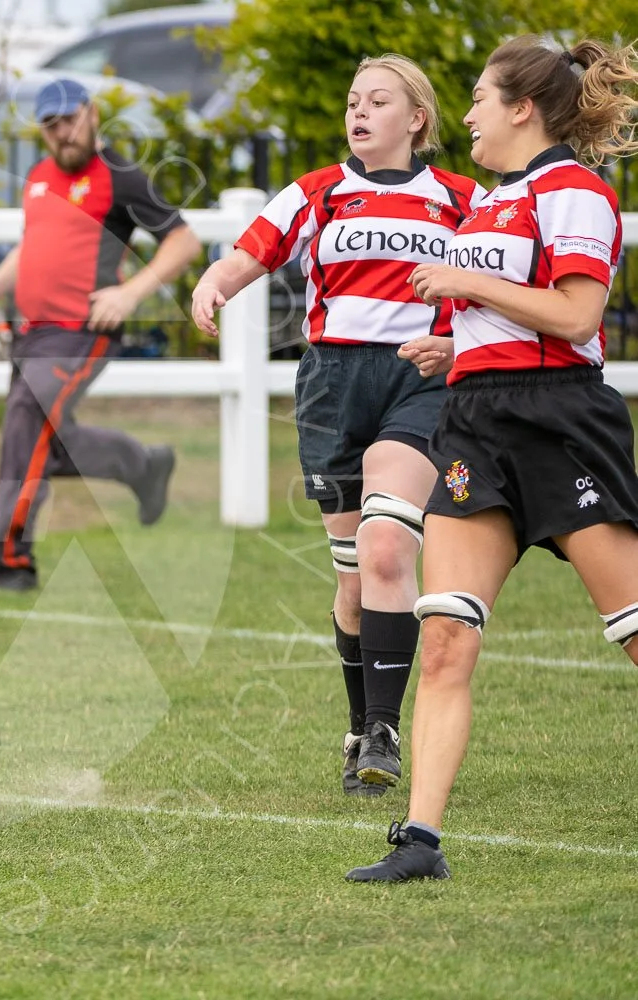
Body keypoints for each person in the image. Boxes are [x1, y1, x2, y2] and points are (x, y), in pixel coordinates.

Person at [347, 36, 638, 881]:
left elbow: (577, 315)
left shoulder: (576, 192)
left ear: (522, 108)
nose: (465, 112)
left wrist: (465, 289)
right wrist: (453, 348)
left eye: (478, 97)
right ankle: (419, 844)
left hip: (559, 425)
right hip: (475, 423)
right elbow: (507, 315)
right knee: (445, 637)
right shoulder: (488, 203)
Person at [191, 55, 484, 797]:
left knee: (390, 547)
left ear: (416, 119)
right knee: (354, 576)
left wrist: (461, 345)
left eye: (378, 101)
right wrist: (213, 283)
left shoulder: (461, 198)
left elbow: (508, 282)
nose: (359, 113)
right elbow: (249, 254)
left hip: (419, 380)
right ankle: (362, 728)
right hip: (332, 386)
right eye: (354, 101)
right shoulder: (318, 192)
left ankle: (384, 729)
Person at [0, 78, 200, 593]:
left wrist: (129, 294)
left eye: (69, 119)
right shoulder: (39, 178)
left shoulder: (119, 176)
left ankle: (11, 564)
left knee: (26, 422)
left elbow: (184, 241)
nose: (62, 132)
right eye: (50, 125)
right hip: (30, 336)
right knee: (48, 442)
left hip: (80, 334)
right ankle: (142, 465)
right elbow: (29, 250)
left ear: (91, 114)